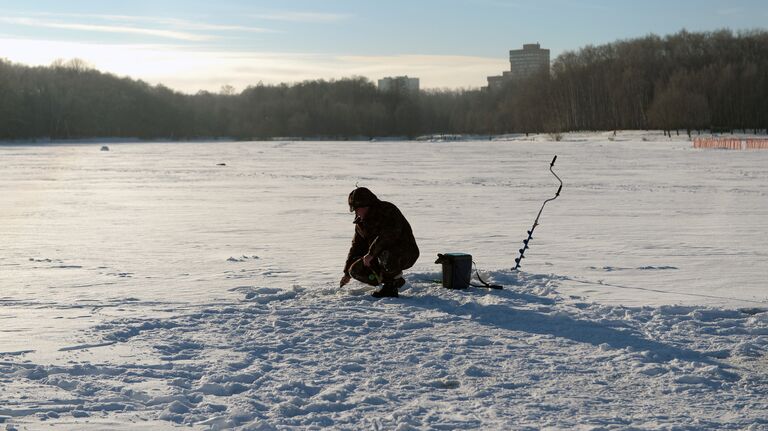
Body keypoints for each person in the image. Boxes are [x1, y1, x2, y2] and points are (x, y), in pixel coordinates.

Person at [339, 187, 419, 298]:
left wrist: (371, 253)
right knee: (355, 270)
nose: (356, 212)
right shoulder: (360, 224)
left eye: (357, 209)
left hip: (405, 253)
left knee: (385, 253)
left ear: (366, 206)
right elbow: (356, 247)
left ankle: (390, 286)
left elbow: (388, 236)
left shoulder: (388, 210)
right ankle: (392, 280)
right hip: (377, 256)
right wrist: (347, 273)